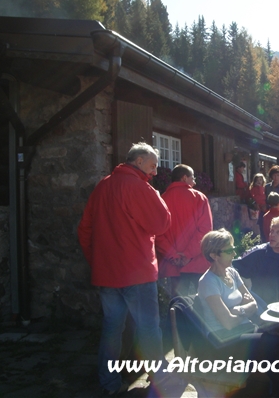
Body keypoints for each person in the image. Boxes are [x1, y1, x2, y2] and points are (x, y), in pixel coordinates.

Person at [78, 142, 185, 397]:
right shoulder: (140, 186)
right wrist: (156, 196)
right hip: (137, 272)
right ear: (138, 161)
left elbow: (85, 230)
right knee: (148, 327)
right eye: (153, 164)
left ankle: (109, 384)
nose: (156, 170)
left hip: (107, 274)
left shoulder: (102, 186)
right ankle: (159, 378)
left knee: (112, 328)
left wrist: (98, 263)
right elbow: (161, 223)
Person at [198, 229, 279, 398]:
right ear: (214, 255)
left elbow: (252, 303)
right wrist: (245, 310)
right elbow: (227, 323)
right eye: (229, 251)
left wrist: (238, 311)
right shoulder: (208, 282)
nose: (234, 253)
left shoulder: (231, 273)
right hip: (224, 342)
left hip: (244, 332)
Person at [157, 164, 213, 298]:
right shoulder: (199, 198)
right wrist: (187, 255)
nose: (194, 182)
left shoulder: (161, 200)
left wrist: (173, 256)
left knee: (177, 304)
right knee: (203, 304)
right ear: (184, 178)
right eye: (192, 178)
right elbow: (205, 231)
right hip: (196, 261)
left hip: (173, 264)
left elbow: (157, 234)